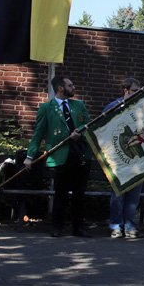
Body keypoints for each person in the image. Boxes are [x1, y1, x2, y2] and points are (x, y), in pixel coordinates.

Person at [24, 76, 93, 237]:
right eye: (70, 85)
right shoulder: (47, 108)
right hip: (61, 155)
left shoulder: (78, 105)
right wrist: (29, 156)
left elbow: (89, 125)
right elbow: (38, 134)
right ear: (60, 88)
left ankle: (78, 227)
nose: (73, 87)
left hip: (80, 152)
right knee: (61, 192)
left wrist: (80, 133)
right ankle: (57, 227)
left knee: (79, 193)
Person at [104, 78, 144, 239]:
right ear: (125, 90)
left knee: (133, 196)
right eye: (135, 90)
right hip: (118, 159)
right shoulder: (113, 107)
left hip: (136, 159)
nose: (138, 93)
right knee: (118, 195)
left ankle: (129, 226)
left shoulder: (142, 109)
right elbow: (103, 130)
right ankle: (115, 226)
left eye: (139, 91)